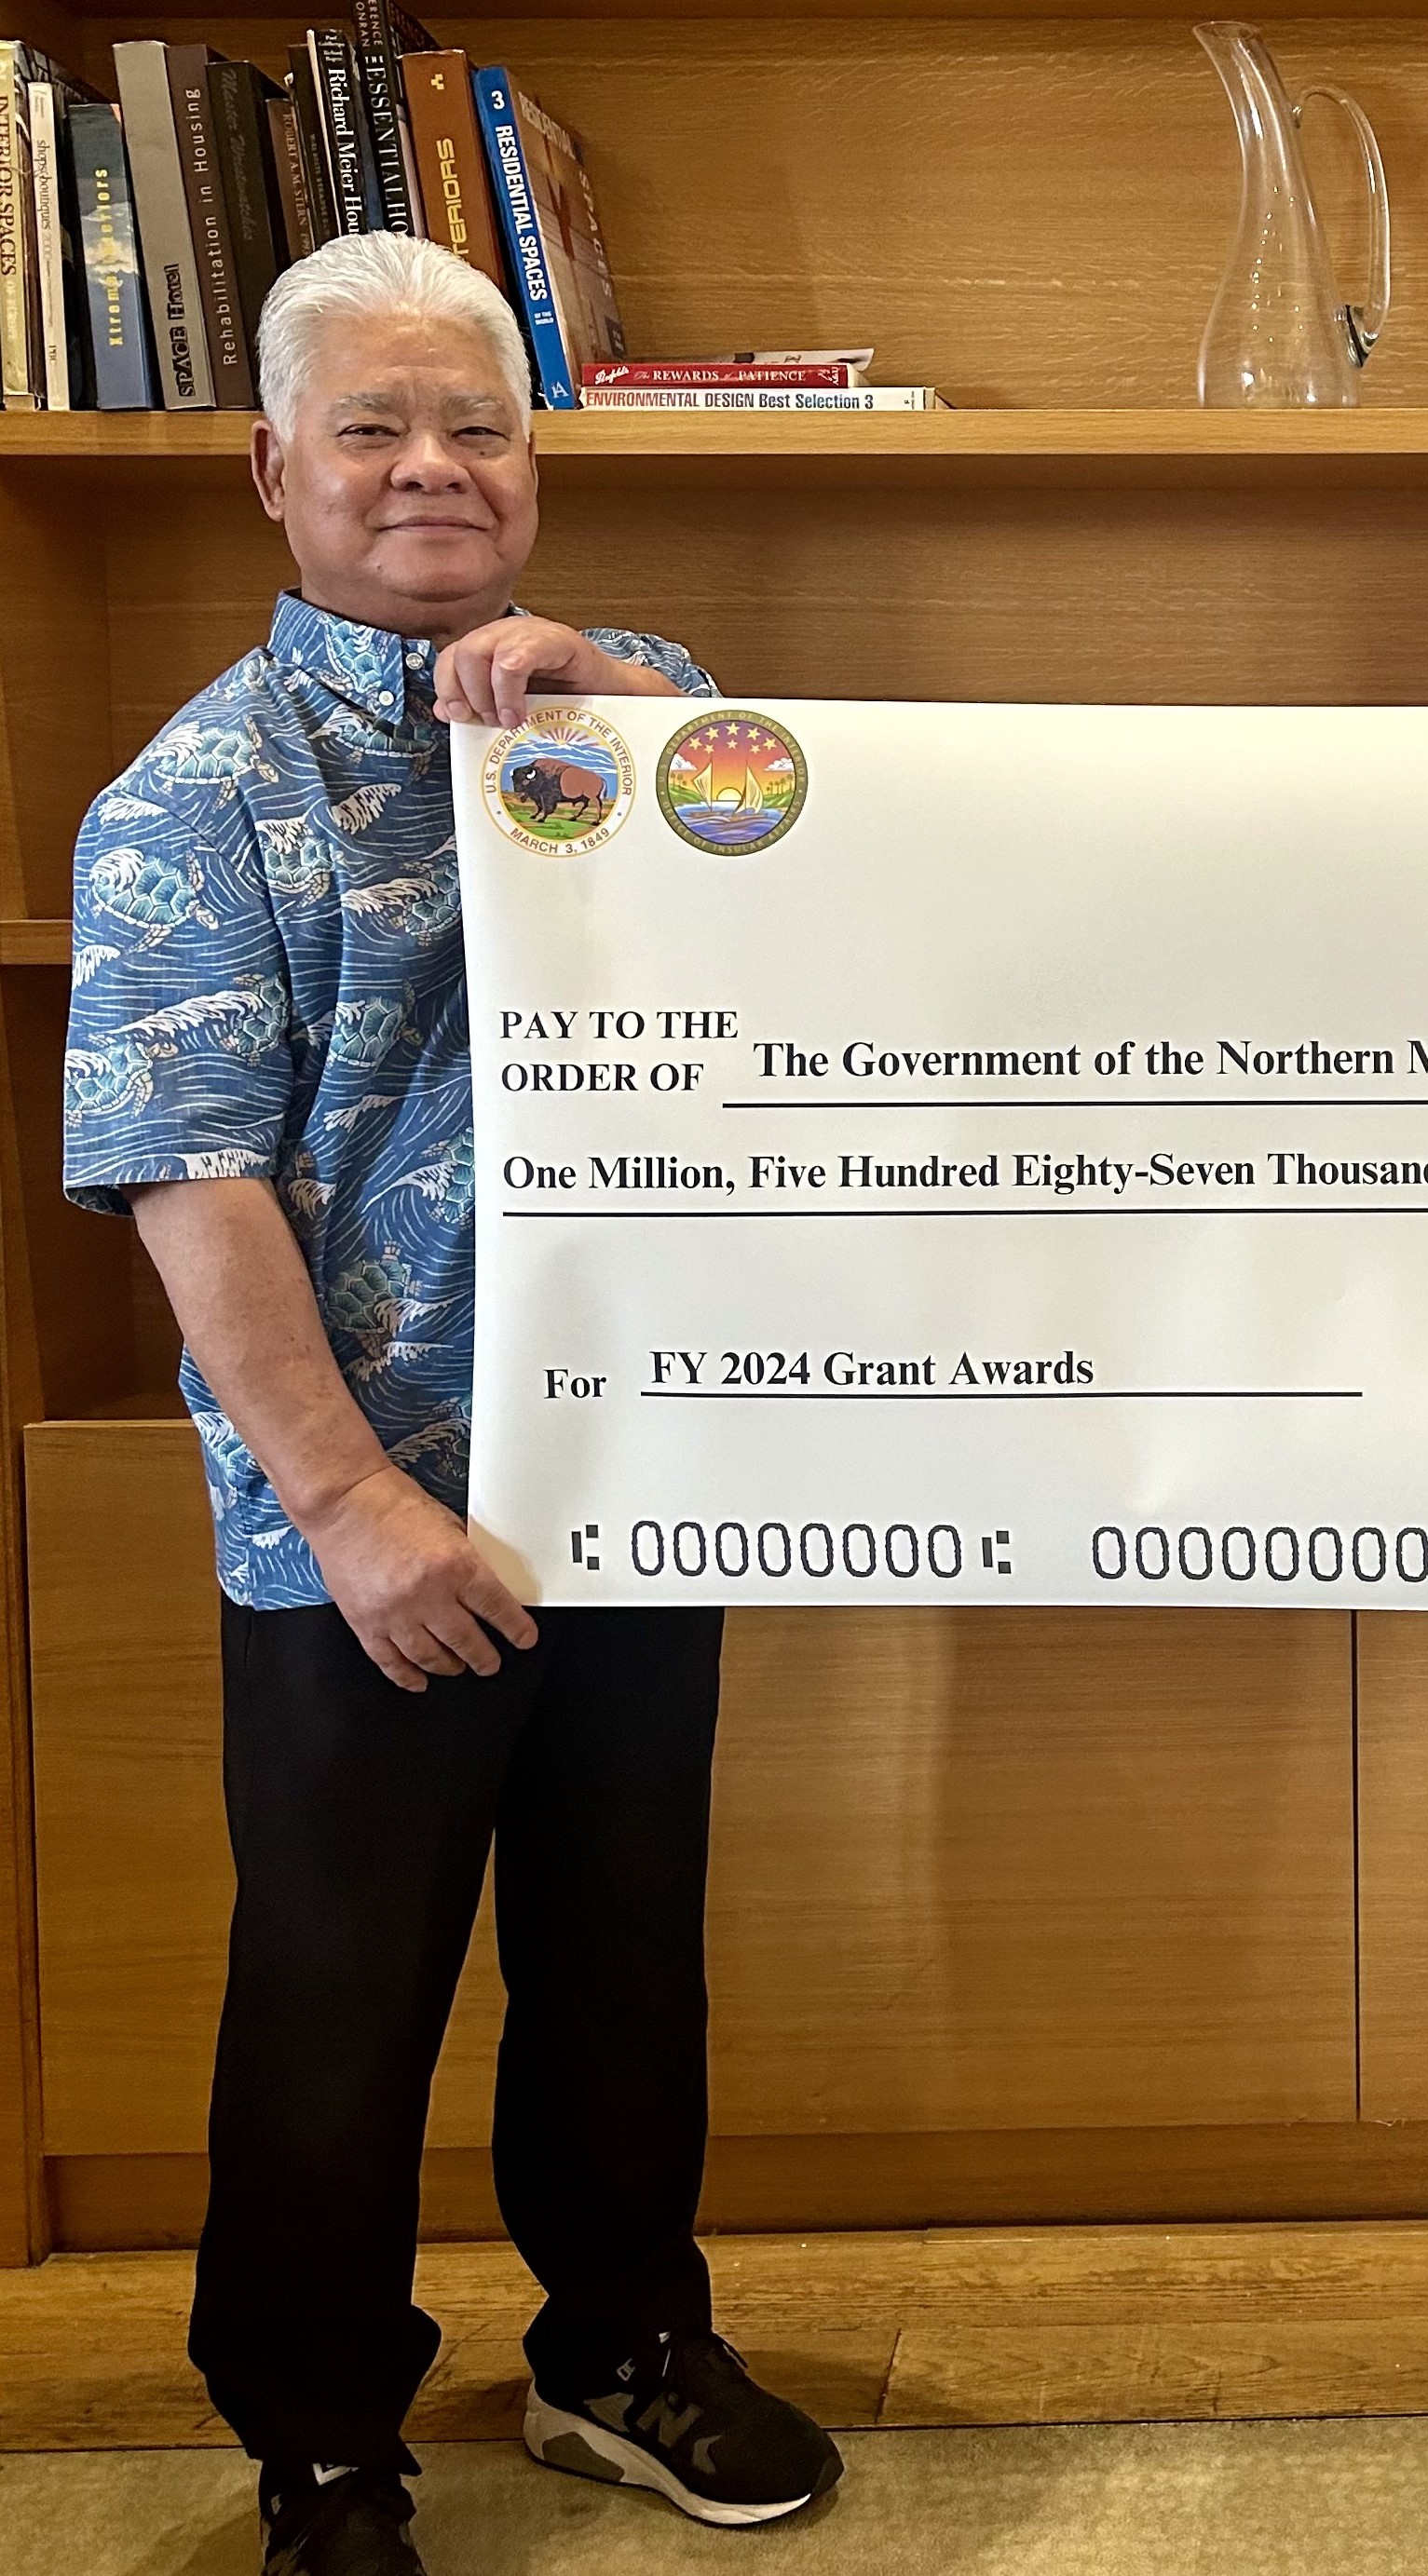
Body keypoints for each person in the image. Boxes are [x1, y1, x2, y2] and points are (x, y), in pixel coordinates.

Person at [61, 232, 842, 2573]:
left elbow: (836, 926)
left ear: (534, 462)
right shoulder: (191, 798)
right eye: (374, 427)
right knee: (340, 1983)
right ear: (272, 470)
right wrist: (349, 1509)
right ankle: (320, 2438)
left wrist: (620, 697)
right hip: (363, 1524)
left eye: (476, 426)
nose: (430, 468)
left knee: (622, 1953)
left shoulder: (646, 715)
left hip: (643, 1476)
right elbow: (187, 1182)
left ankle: (621, 2344)